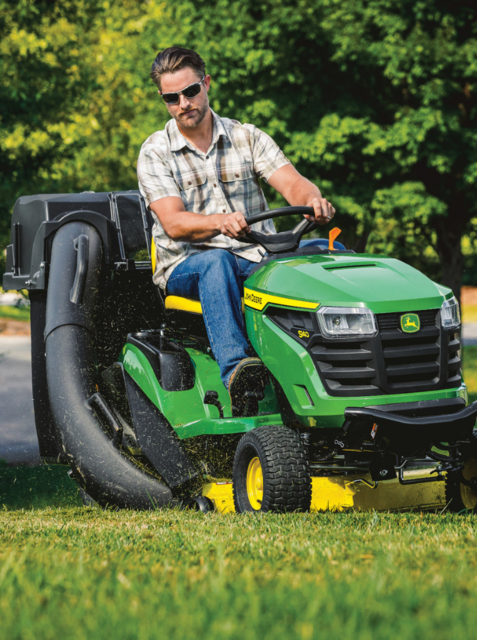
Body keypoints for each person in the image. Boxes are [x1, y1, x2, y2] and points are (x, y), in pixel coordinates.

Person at [137, 46, 336, 410]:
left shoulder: (247, 137)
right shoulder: (155, 152)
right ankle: (238, 373)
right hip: (188, 265)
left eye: (191, 91)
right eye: (171, 97)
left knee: (326, 252)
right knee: (217, 262)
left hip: (255, 258)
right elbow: (174, 223)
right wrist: (219, 224)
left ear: (207, 84)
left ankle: (340, 364)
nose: (183, 103)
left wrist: (314, 200)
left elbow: (293, 184)